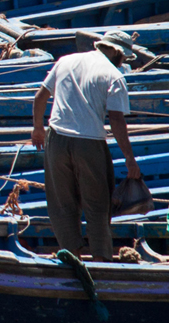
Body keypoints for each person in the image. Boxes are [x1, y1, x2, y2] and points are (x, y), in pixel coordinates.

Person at [31, 30, 142, 262]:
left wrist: (38, 129)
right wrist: (129, 159)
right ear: (118, 53)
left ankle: (73, 256)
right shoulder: (114, 76)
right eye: (124, 59)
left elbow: (40, 96)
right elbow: (117, 120)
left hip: (56, 140)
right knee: (98, 206)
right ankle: (102, 260)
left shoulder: (66, 61)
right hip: (89, 144)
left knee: (62, 204)